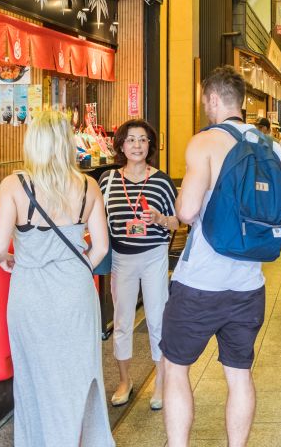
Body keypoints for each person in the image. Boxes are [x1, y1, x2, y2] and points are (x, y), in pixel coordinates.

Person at [161, 66, 281, 447]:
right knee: (239, 375)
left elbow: (188, 211)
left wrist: (179, 207)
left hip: (199, 285)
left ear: (211, 98)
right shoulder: (271, 146)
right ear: (241, 101)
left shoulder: (204, 143)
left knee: (175, 369)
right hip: (248, 287)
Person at [0, 110, 113, 446]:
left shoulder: (14, 185)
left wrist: (10, 260)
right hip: (76, 293)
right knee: (80, 377)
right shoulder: (88, 185)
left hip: (31, 293)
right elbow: (101, 247)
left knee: (34, 380)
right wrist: (78, 267)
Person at [101, 120, 178, 411]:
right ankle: (124, 380)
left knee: (157, 319)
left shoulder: (161, 181)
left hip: (154, 255)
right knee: (122, 321)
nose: (136, 145)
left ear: (150, 146)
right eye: (131, 140)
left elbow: (176, 222)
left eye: (142, 140)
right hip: (121, 258)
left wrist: (159, 218)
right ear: (121, 145)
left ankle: (160, 382)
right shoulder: (107, 180)